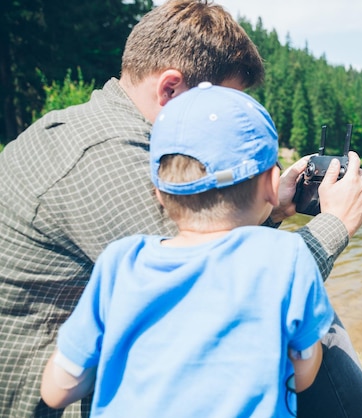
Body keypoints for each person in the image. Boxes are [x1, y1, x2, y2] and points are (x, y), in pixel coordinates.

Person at [0, 1, 362, 417]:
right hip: (51, 402)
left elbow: (209, 245)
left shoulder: (112, 134)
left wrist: (273, 212)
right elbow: (236, 294)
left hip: (71, 373)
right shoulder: (110, 159)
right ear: (170, 89)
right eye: (224, 104)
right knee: (312, 325)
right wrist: (333, 226)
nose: (225, 119)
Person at [40, 84, 336, 417]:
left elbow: (57, 390)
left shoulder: (119, 262)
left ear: (158, 193)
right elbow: (303, 375)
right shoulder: (287, 258)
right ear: (272, 185)